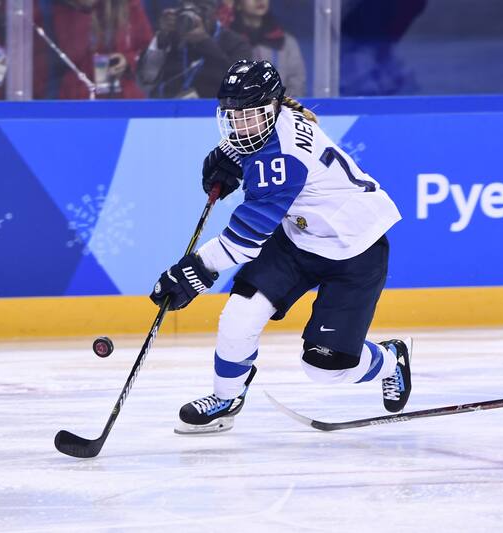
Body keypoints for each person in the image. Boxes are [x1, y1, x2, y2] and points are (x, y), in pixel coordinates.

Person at [149, 59, 412, 434]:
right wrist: (231, 157)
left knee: (325, 370)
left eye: (249, 115)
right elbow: (250, 143)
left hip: (354, 250)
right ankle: (226, 399)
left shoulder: (283, 158)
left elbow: (244, 240)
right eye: (233, 115)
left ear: (273, 106)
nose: (239, 124)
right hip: (298, 240)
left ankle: (389, 360)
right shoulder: (273, 120)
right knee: (239, 314)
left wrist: (193, 270)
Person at [34, 0, 153, 99]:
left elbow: (149, 53)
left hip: (125, 102)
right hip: (73, 103)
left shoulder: (128, 5)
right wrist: (83, 11)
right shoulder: (51, 10)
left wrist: (127, 60)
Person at [136, 0, 250, 98]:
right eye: (189, 9)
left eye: (201, 9)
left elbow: (239, 85)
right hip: (170, 111)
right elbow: (147, 77)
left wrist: (204, 42)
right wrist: (162, 36)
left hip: (215, 111)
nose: (196, 16)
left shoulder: (236, 43)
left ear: (215, 12)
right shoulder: (172, 38)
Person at [231, 0, 305, 96]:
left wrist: (278, 106)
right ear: (238, 4)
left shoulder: (285, 42)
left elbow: (297, 84)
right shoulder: (228, 42)